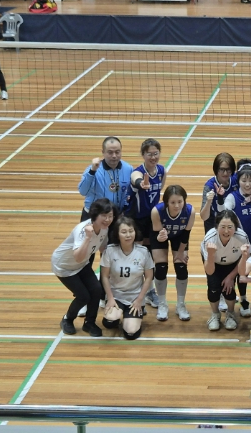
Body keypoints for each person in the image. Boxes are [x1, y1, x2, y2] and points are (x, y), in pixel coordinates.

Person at [52, 198, 118, 337]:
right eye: (104, 216)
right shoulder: (83, 230)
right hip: (64, 266)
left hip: (82, 264)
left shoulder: (104, 229)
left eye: (110, 216)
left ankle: (89, 323)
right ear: (95, 215)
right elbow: (78, 257)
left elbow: (103, 248)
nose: (107, 219)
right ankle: (67, 319)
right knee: (83, 296)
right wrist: (88, 238)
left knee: (96, 289)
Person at [78, 136, 133, 270]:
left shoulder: (128, 169)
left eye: (117, 152)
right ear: (103, 152)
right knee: (87, 254)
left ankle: (106, 282)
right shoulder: (93, 169)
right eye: (110, 152)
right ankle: (86, 282)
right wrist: (92, 171)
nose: (114, 156)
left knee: (111, 254)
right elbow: (82, 191)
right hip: (93, 217)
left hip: (114, 218)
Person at [100, 216, 155, 340]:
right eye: (124, 232)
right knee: (110, 321)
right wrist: (110, 298)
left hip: (135, 297)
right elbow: (104, 276)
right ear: (117, 234)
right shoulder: (110, 251)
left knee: (131, 333)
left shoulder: (143, 252)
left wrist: (140, 300)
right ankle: (120, 314)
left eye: (131, 231)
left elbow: (149, 277)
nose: (128, 235)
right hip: (116, 296)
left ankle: (130, 317)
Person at [223, 159, 251, 316]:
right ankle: (243, 299)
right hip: (242, 241)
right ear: (238, 181)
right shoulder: (233, 197)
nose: (247, 184)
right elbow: (225, 211)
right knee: (243, 271)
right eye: (244, 180)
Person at [128, 138, 165, 309]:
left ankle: (150, 292)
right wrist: (140, 183)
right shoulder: (138, 172)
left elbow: (159, 191)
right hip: (137, 220)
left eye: (155, 153)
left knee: (150, 257)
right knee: (137, 257)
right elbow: (135, 178)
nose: (153, 157)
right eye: (149, 154)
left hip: (152, 219)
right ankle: (134, 291)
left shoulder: (162, 171)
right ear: (143, 155)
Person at [150, 185, 195, 322]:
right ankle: (162, 304)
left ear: (184, 200)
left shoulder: (190, 211)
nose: (176, 206)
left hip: (179, 236)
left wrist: (180, 253)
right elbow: (157, 236)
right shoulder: (157, 211)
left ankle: (180, 305)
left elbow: (186, 234)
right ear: (166, 202)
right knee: (161, 268)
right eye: (173, 202)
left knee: (181, 268)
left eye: (180, 202)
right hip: (160, 236)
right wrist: (161, 237)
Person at [202, 210, 250, 330]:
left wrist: (231, 277)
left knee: (229, 289)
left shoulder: (242, 237)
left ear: (236, 227)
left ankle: (231, 314)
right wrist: (211, 255)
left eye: (230, 227)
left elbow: (245, 260)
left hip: (233, 263)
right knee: (213, 287)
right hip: (213, 263)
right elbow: (209, 271)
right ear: (216, 226)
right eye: (222, 227)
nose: (226, 231)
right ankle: (215, 314)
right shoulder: (209, 239)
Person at [200, 153, 238, 233]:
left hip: (233, 221)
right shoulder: (209, 186)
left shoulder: (237, 179)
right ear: (216, 169)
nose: (225, 173)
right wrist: (208, 202)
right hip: (214, 223)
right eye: (222, 169)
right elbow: (203, 217)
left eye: (228, 169)